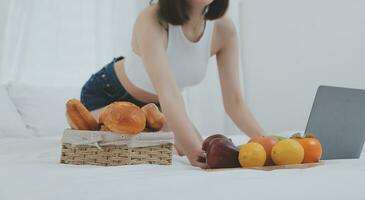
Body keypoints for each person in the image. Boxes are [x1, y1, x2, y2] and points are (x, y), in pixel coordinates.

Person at [79, 0, 266, 168]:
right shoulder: (152, 18)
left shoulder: (223, 29)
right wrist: (194, 151)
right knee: (184, 151)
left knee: (192, 149)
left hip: (158, 110)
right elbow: (169, 93)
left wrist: (268, 143)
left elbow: (235, 102)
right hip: (108, 97)